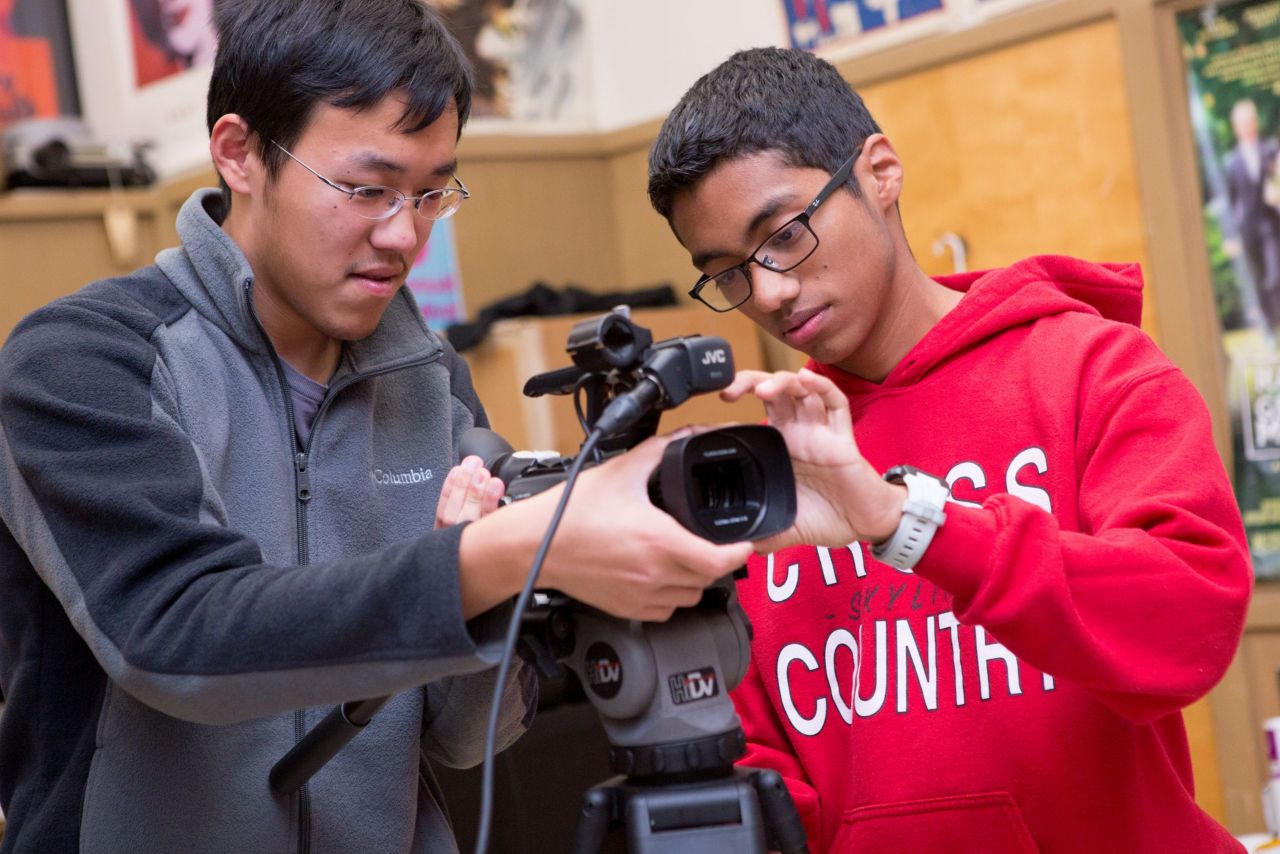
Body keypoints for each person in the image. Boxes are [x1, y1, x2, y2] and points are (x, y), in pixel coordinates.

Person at [0, 2, 753, 852]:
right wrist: (485, 559)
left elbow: (466, 739)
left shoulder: (429, 380)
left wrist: (500, 596)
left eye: (433, 193)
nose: (405, 237)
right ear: (239, 153)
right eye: (366, 189)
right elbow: (179, 636)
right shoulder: (81, 361)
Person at [647, 47, 1253, 852]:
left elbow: (1188, 628)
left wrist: (911, 522)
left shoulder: (1092, 370)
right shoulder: (772, 472)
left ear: (881, 171)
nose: (768, 295)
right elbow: (763, 776)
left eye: (785, 235)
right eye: (725, 274)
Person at [1226, 98, 1280, 327]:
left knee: (1275, 273)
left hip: (1270, 223)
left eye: (1250, 121)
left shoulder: (1271, 149)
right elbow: (1230, 201)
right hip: (1247, 229)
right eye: (1242, 122)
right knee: (1259, 279)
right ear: (1236, 127)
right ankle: (1271, 325)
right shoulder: (1231, 162)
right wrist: (1230, 236)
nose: (1247, 126)